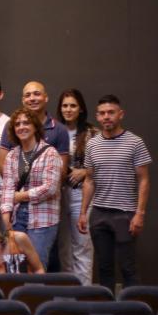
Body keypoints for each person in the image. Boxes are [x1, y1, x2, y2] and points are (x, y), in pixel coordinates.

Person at [78, 95, 151, 292]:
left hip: (125, 213)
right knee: (104, 268)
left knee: (128, 268)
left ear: (120, 114)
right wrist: (84, 212)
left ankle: (135, 314)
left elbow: (144, 180)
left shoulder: (135, 142)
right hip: (100, 213)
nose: (106, 117)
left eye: (111, 112)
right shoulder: (93, 144)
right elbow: (90, 180)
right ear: (97, 116)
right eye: (102, 113)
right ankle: (106, 313)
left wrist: (140, 213)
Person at [0, 108, 62, 268]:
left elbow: (50, 188)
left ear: (35, 126)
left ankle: (37, 294)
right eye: (17, 124)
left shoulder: (50, 153)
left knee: (37, 266)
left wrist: (20, 196)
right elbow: (7, 188)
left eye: (26, 123)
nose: (21, 127)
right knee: (16, 266)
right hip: (17, 218)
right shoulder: (12, 155)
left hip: (42, 219)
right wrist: (5, 218)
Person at [56, 89, 96, 285]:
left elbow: (103, 165)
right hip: (57, 195)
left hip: (81, 195)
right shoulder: (54, 130)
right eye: (65, 106)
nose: (68, 109)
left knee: (82, 246)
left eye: (73, 105)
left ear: (80, 109)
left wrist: (85, 172)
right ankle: (68, 295)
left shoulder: (92, 133)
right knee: (64, 248)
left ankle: (85, 294)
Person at [0, 81, 69, 176]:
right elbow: (2, 166)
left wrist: (34, 190)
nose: (32, 98)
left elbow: (62, 171)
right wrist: (18, 188)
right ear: (23, 100)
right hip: (16, 188)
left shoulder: (60, 129)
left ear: (46, 97)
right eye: (27, 95)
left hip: (47, 188)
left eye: (37, 94)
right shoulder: (12, 125)